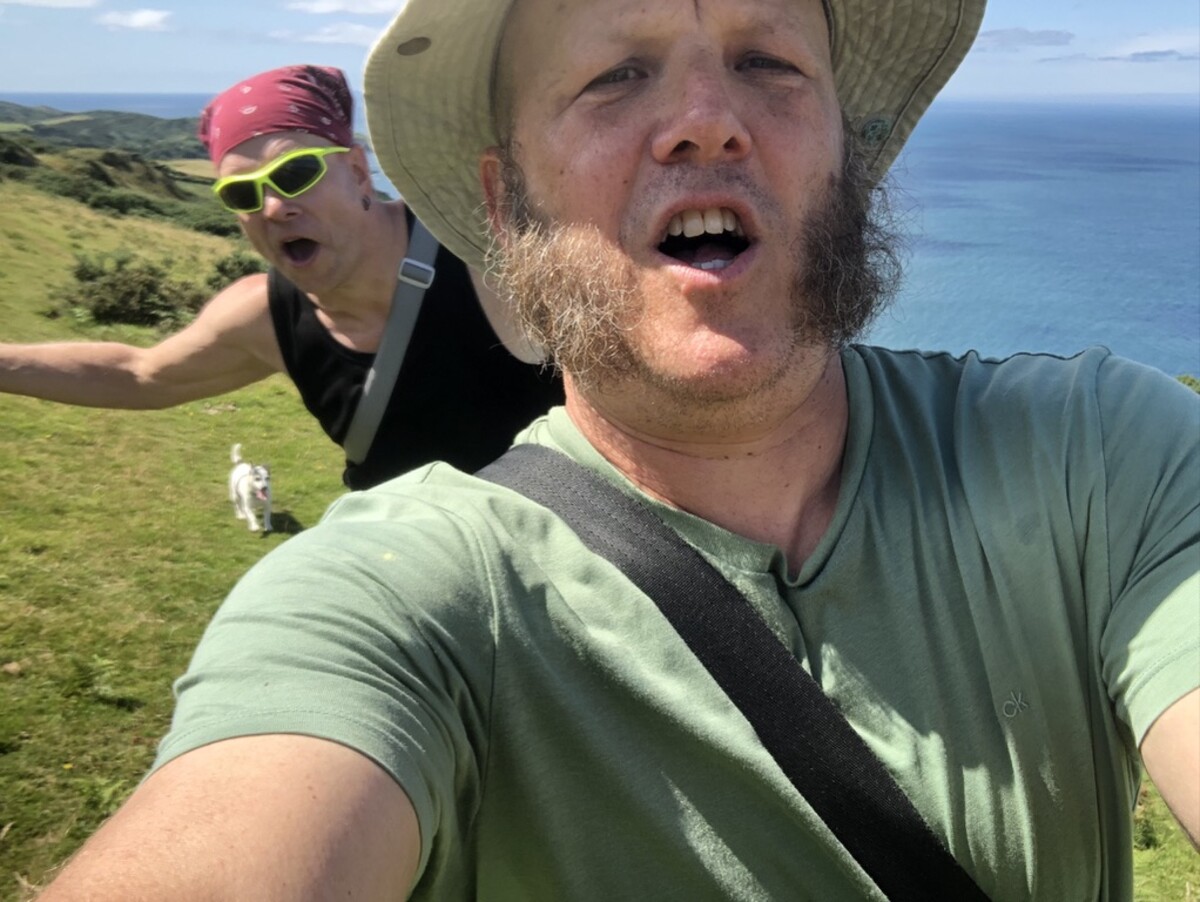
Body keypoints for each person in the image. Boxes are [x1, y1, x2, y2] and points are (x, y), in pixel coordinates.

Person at [39, 0, 1199, 899]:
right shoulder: (390, 604)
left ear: (853, 152)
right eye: (613, 75)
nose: (707, 117)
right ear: (508, 208)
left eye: (771, 61)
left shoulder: (1104, 454)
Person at [0, 64, 562, 490]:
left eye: (294, 173)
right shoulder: (264, 317)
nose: (273, 209)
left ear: (357, 171)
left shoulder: (482, 250)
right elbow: (141, 375)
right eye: (243, 194)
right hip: (422, 581)